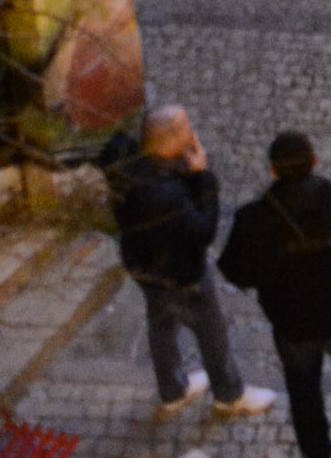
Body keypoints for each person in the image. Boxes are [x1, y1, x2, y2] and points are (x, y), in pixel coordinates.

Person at [219, 132, 331, 458]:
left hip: (292, 323)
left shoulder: (252, 220)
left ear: (273, 170)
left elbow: (235, 271)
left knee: (304, 390)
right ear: (314, 162)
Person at [98, 104, 274, 420]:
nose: (192, 131)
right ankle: (229, 395)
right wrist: (202, 177)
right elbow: (203, 231)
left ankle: (172, 392)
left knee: (161, 326)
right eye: (186, 126)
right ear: (173, 137)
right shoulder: (165, 195)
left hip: (143, 268)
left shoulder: (127, 166)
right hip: (179, 275)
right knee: (211, 330)